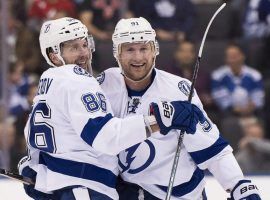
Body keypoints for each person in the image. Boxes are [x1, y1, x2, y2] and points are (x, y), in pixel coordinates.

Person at [18, 17, 205, 200]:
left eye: (85, 44)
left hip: (62, 188)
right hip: (86, 188)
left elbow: (32, 135)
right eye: (73, 47)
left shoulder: (47, 83)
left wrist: (35, 166)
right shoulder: (78, 80)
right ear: (54, 56)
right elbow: (107, 137)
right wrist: (162, 119)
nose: (84, 53)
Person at [97, 17, 262, 199]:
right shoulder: (103, 87)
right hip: (131, 192)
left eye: (144, 48)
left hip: (182, 194)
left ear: (155, 50)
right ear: (116, 53)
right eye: (129, 49)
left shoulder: (178, 90)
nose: (138, 57)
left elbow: (211, 146)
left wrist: (238, 184)